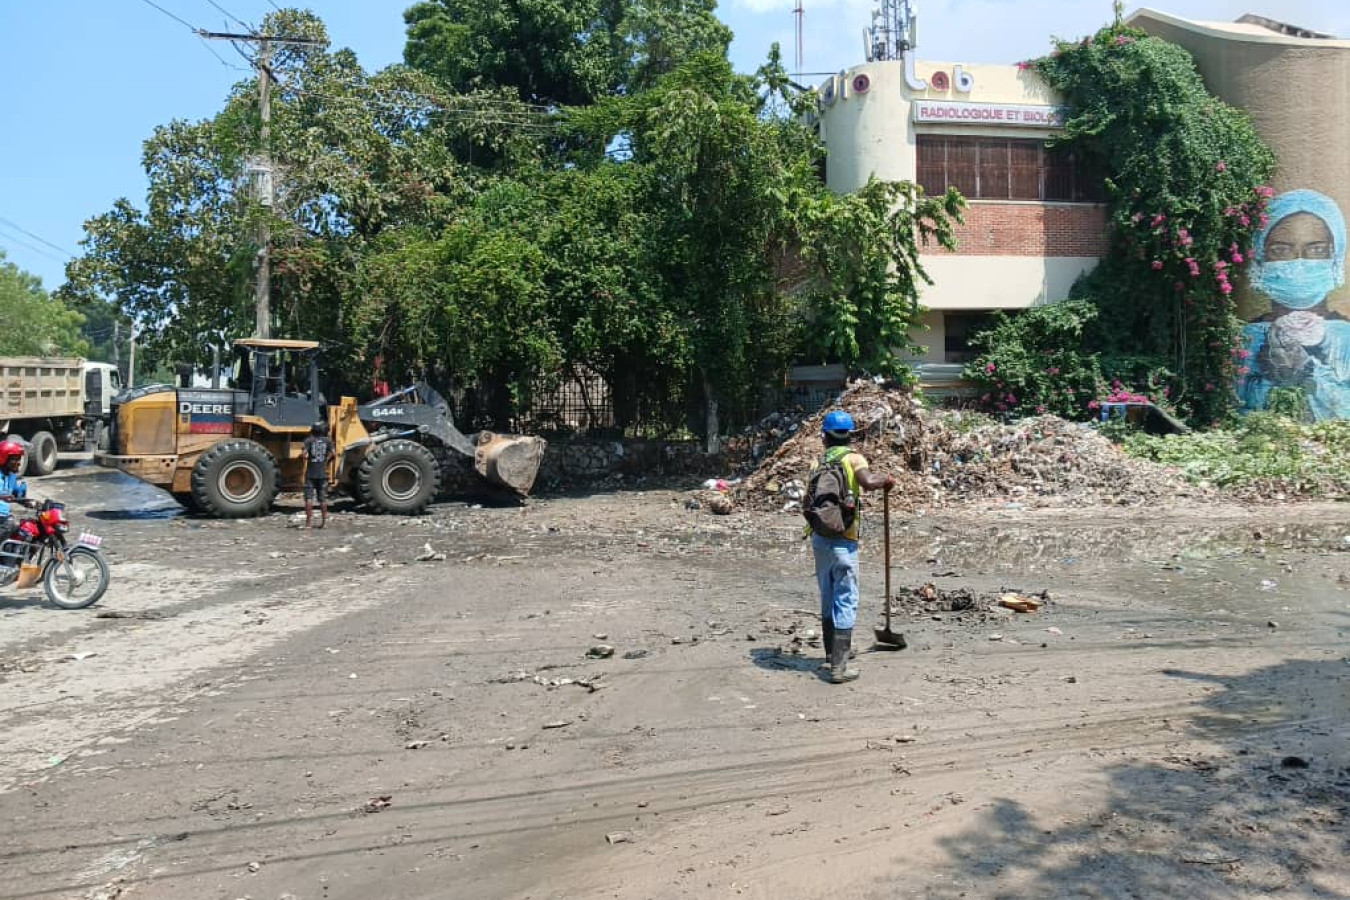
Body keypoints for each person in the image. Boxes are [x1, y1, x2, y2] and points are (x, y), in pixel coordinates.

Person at [1239, 189, 1350, 419]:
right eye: (1280, 250)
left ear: (1335, 257)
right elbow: (1231, 410)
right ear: (1260, 258)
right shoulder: (1244, 339)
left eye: (1317, 249)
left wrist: (1310, 374)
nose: (1299, 261)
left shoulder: (1346, 338)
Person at [809, 410, 894, 684]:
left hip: (819, 538)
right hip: (844, 540)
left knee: (827, 594)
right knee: (846, 597)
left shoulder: (817, 462)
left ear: (825, 436)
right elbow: (868, 483)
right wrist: (886, 479)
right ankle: (839, 668)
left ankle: (831, 653)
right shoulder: (854, 458)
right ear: (850, 435)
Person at [301, 422, 333, 529]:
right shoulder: (328, 441)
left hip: (310, 473)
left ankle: (308, 523)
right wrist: (327, 462)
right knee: (323, 499)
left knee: (309, 498)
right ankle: (324, 523)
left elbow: (304, 454)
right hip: (323, 474)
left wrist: (305, 457)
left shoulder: (308, 440)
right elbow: (333, 454)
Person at [0, 440, 33, 541]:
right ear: (4, 459)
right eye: (15, 460)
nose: (19, 463)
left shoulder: (11, 476)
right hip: (3, 519)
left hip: (5, 517)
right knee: (10, 524)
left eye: (19, 459)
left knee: (27, 532)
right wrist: (2, 497)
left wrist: (27, 501)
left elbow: (16, 495)